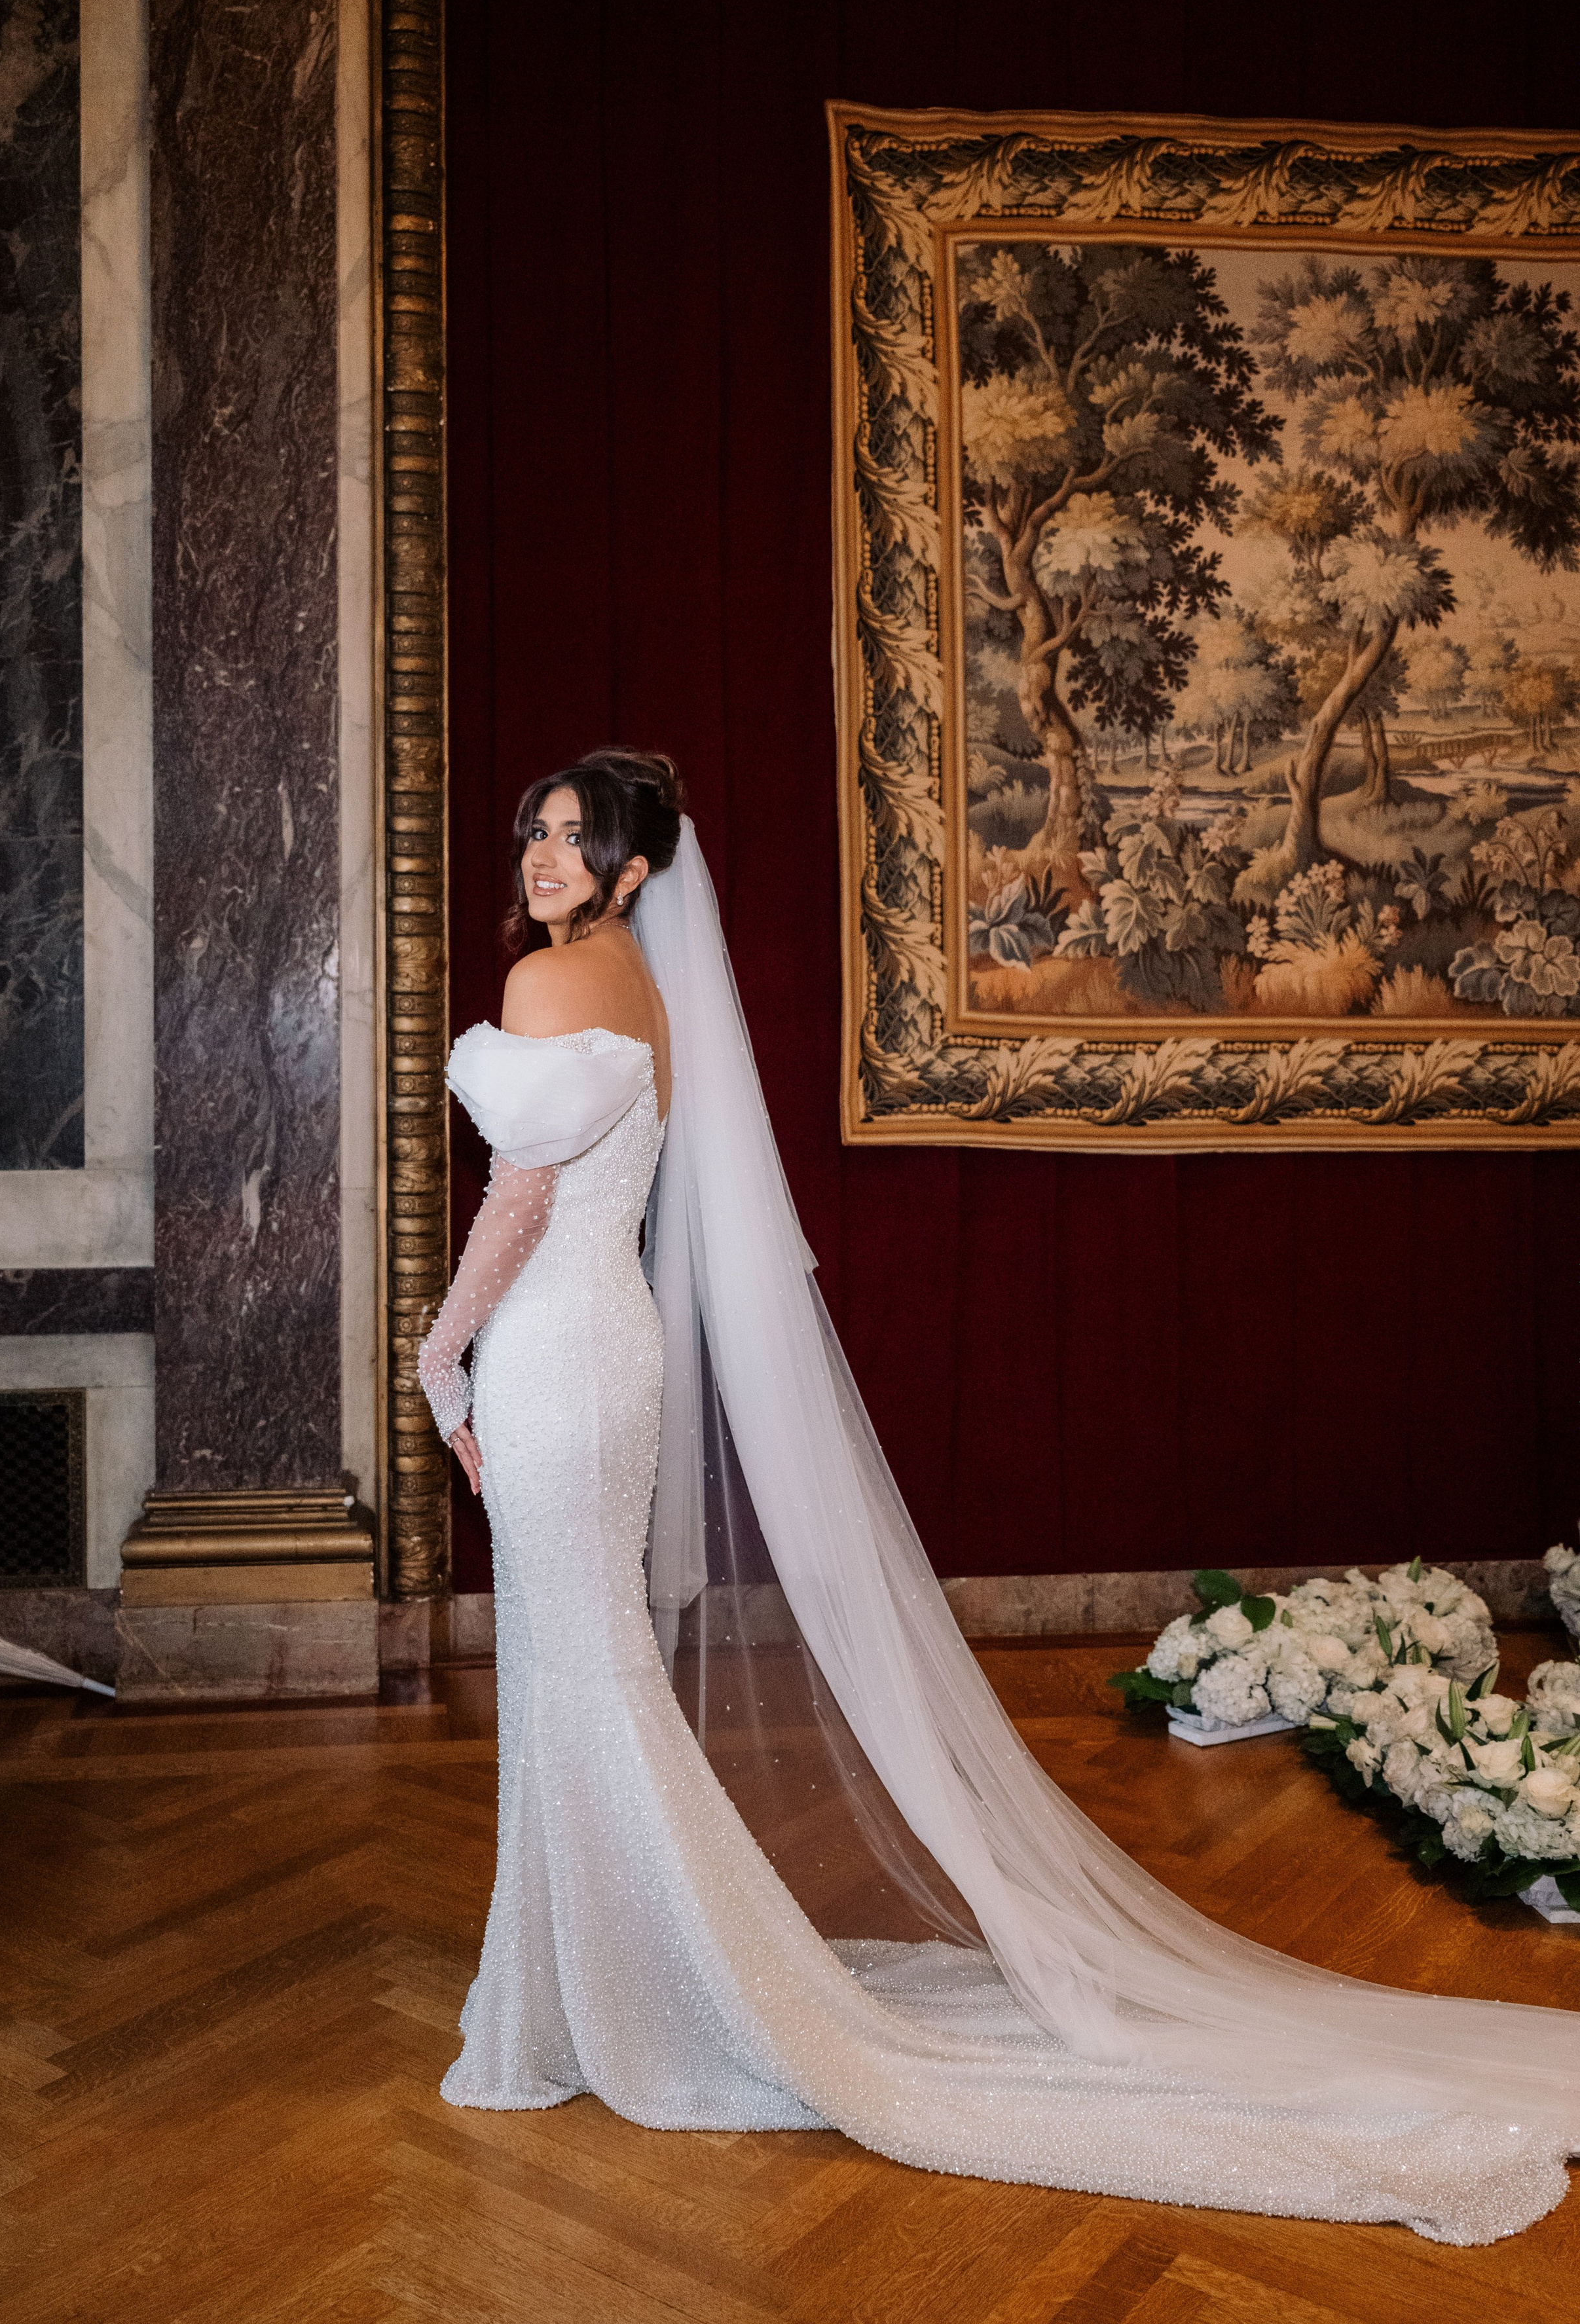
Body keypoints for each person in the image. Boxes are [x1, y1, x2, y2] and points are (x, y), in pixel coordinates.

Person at [418, 746, 1579, 2245]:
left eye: (573, 840)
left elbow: (517, 1200)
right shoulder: (642, 982)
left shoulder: (552, 986)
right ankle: (616, 1973)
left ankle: (625, 1988)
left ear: (634, 870)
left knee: (577, 1671)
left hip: (550, 1357)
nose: (541, 856)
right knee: (596, 1670)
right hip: (607, 1352)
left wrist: (438, 1355)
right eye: (536, 832)